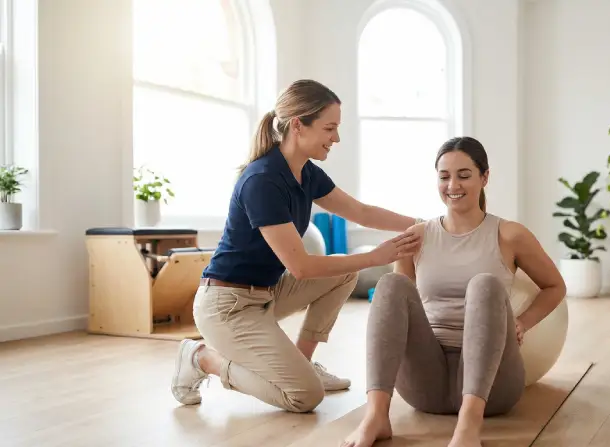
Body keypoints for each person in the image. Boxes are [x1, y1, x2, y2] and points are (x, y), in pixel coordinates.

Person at [170, 79, 423, 413]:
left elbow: (360, 212)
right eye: (329, 128)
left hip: (265, 294)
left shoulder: (307, 173)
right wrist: (376, 257)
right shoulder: (262, 180)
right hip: (226, 306)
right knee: (305, 396)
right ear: (298, 125)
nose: (336, 138)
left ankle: (303, 362)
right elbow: (301, 268)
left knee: (343, 273)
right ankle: (202, 358)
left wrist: (423, 224)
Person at [341, 136, 567, 447]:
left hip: (494, 388)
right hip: (427, 384)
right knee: (391, 284)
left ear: (484, 177)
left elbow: (555, 286)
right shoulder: (416, 237)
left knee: (484, 284)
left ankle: (469, 426)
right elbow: (399, 309)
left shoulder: (510, 234)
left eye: (464, 175)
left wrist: (522, 322)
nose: (452, 185)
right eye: (444, 176)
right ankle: (376, 416)